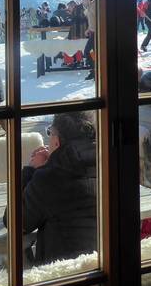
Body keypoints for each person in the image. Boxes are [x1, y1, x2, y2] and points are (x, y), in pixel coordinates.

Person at [17, 111, 98, 265]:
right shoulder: (110, 161)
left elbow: (15, 221)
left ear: (56, 141)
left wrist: (31, 170)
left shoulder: (49, 177)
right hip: (106, 262)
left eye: (50, 133)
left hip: (62, 271)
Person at [81, 0, 96, 81]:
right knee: (93, 52)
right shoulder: (90, 7)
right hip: (93, 32)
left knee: (87, 51)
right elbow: (92, 21)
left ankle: (95, 71)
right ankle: (95, 71)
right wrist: (88, 29)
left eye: (83, 0)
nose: (82, 2)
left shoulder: (93, 6)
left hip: (96, 33)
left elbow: (99, 19)